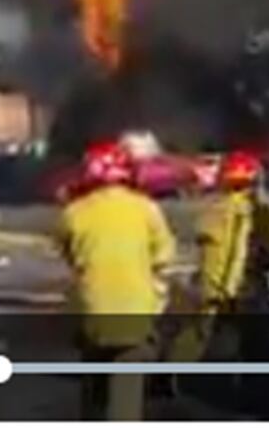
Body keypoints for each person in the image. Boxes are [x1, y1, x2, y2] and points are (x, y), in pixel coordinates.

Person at [55, 141, 176, 421]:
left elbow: (69, 254)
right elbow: (164, 260)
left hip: (92, 313)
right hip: (136, 314)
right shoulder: (147, 210)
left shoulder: (74, 213)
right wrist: (158, 302)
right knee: (127, 389)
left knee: (93, 381)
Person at [167, 151, 269, 405]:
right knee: (257, 341)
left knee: (198, 336)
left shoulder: (213, 212)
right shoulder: (262, 214)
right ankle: (257, 391)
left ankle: (169, 380)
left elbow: (207, 252)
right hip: (247, 290)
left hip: (212, 288)